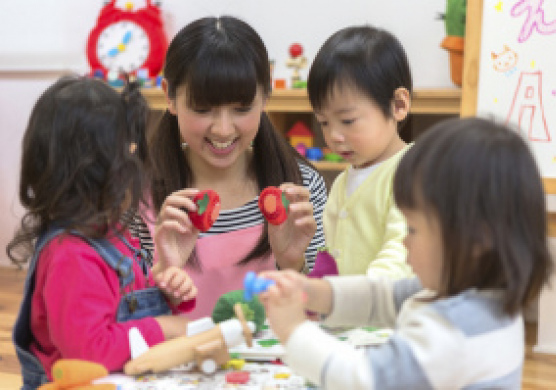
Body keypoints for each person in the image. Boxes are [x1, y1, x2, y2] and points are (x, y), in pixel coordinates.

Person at [260, 117, 555, 389]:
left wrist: (295, 333)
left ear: (477, 238)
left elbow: (365, 379)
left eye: (412, 229)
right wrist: (315, 292)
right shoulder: (472, 295)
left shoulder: (454, 328)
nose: (404, 242)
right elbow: (383, 297)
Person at [8, 76, 197, 390]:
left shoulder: (113, 236)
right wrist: (164, 327)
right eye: (128, 158)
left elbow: (125, 304)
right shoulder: (71, 256)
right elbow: (88, 350)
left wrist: (167, 290)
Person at [134, 16, 326, 319]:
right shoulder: (142, 196)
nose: (223, 129)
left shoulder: (300, 188)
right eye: (202, 109)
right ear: (169, 96)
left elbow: (320, 314)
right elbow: (124, 321)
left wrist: (292, 263)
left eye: (241, 109)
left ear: (265, 95)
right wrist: (164, 274)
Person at [306, 25, 414, 278]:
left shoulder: (415, 170)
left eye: (348, 121)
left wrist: (357, 298)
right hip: (348, 314)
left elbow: (402, 250)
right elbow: (330, 254)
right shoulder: (342, 182)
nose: (333, 136)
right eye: (323, 122)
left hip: (389, 313)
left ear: (398, 105)